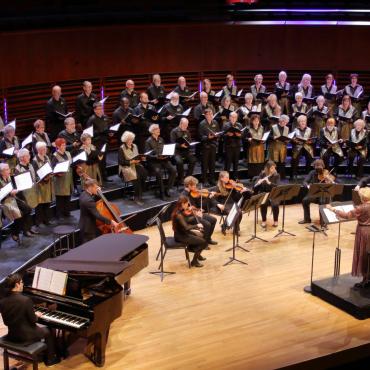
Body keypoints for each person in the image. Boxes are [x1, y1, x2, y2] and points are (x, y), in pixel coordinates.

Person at [0, 273, 60, 366]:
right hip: (26, 337)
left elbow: (7, 321)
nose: (23, 284)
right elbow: (33, 321)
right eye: (22, 282)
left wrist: (28, 314)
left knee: (37, 328)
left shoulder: (3, 301)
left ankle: (41, 353)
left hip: (12, 335)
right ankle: (50, 360)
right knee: (49, 330)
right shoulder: (25, 300)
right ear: (17, 284)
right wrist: (36, 315)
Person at [326, 187, 370, 288]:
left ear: (363, 197)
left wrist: (332, 209)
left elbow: (346, 215)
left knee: (363, 255)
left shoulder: (361, 208)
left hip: (363, 232)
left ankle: (365, 279)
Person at [171, 196, 208, 268]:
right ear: (182, 204)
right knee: (203, 242)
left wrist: (196, 224)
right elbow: (186, 227)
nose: (188, 205)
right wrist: (197, 225)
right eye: (186, 204)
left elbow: (186, 222)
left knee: (201, 235)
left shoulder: (179, 211)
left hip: (182, 233)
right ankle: (194, 261)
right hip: (181, 236)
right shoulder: (178, 215)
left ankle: (197, 253)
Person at [78, 179, 119, 243]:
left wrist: (97, 194)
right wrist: (111, 221)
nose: (97, 189)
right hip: (88, 228)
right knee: (90, 246)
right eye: (95, 187)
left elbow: (91, 200)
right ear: (90, 187)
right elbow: (98, 215)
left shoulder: (83, 194)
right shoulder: (88, 201)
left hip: (84, 224)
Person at [0, 163, 32, 241]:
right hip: (5, 202)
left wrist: (15, 190)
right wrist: (9, 193)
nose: (9, 171)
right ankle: (15, 232)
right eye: (7, 169)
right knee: (19, 214)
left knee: (28, 209)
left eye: (9, 168)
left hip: (13, 198)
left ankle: (20, 230)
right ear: (1, 172)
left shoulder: (9, 178)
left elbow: (13, 187)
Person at [182, 176, 217, 246]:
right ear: (189, 185)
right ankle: (203, 243)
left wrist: (208, 198)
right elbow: (183, 210)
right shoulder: (183, 196)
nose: (196, 186)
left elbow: (199, 205)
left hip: (196, 213)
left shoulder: (194, 193)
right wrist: (195, 212)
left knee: (213, 220)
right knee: (207, 224)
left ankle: (208, 239)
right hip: (189, 217)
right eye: (194, 185)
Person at [145, 124, 176, 200]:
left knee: (173, 170)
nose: (159, 130)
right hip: (154, 161)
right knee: (159, 173)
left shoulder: (161, 139)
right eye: (156, 129)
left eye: (158, 128)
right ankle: (161, 193)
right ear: (152, 131)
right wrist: (157, 156)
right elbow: (148, 155)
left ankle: (167, 189)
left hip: (163, 160)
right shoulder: (148, 141)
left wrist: (167, 154)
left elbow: (164, 150)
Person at [298, 159, 335, 224]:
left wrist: (328, 179)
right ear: (314, 167)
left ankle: (323, 221)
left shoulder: (326, 173)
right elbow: (305, 181)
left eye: (319, 166)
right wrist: (308, 186)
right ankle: (307, 219)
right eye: (316, 166)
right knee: (305, 200)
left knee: (322, 201)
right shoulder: (312, 173)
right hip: (314, 194)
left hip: (324, 196)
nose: (318, 169)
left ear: (323, 166)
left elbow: (332, 184)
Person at [118, 131, 148, 206]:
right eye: (129, 139)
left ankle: (141, 191)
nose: (131, 141)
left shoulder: (134, 146)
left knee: (144, 173)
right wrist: (131, 162)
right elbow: (121, 162)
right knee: (136, 177)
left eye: (132, 139)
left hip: (135, 164)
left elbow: (137, 156)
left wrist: (141, 158)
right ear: (125, 140)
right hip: (126, 167)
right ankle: (137, 197)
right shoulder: (121, 148)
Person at [14, 149, 39, 234]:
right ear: (22, 157)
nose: (29, 157)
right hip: (24, 194)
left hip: (32, 192)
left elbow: (34, 176)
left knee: (31, 211)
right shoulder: (18, 169)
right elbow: (18, 184)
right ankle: (25, 230)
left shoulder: (30, 165)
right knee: (26, 212)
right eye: (28, 155)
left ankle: (30, 227)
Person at [86, 102, 111, 182]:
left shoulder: (105, 117)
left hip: (105, 141)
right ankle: (98, 178)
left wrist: (110, 132)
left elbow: (108, 127)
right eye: (99, 109)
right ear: (95, 110)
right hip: (96, 143)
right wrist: (100, 131)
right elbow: (88, 133)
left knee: (104, 160)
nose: (101, 110)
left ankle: (104, 177)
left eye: (101, 108)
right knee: (98, 161)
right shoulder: (91, 120)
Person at [253, 160, 280, 229]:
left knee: (275, 205)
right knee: (263, 203)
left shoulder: (276, 175)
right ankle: (264, 220)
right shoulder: (262, 174)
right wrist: (259, 182)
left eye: (274, 168)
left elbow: (277, 186)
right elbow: (255, 186)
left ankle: (276, 221)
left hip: (273, 193)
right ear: (268, 168)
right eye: (272, 168)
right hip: (264, 193)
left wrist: (269, 183)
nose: (274, 169)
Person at [33, 142, 55, 226]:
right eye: (43, 149)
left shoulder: (47, 157)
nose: (45, 150)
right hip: (40, 186)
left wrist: (51, 173)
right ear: (38, 150)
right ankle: (39, 222)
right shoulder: (35, 161)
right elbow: (34, 174)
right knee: (40, 204)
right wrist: (43, 178)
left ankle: (46, 220)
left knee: (47, 203)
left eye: (45, 148)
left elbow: (50, 167)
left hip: (48, 184)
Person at [170, 118, 196, 185]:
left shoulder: (187, 131)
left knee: (193, 160)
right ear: (180, 124)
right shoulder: (174, 131)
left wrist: (189, 144)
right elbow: (172, 143)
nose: (186, 126)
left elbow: (189, 141)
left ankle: (187, 178)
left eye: (187, 125)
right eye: (185, 125)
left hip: (185, 151)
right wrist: (180, 145)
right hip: (177, 151)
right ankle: (180, 179)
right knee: (179, 161)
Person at [52, 138, 73, 219]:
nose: (65, 146)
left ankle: (67, 212)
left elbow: (71, 164)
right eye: (63, 145)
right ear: (58, 146)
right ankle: (59, 214)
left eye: (65, 145)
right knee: (60, 198)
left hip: (68, 178)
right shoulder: (55, 156)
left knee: (68, 196)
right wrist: (58, 173)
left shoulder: (68, 153)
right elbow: (53, 169)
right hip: (60, 180)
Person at [198, 108, 220, 186]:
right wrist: (207, 137)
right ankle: (204, 180)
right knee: (205, 164)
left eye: (211, 114)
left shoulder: (215, 122)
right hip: (205, 146)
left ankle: (212, 179)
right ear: (205, 115)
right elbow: (200, 137)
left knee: (212, 164)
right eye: (208, 114)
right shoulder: (202, 124)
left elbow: (218, 132)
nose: (210, 115)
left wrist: (217, 136)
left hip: (213, 145)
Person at [291, 115, 314, 180]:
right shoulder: (295, 130)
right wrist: (295, 141)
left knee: (309, 157)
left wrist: (310, 142)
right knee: (295, 158)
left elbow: (313, 139)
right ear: (298, 122)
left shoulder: (310, 129)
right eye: (301, 121)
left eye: (304, 121)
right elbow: (292, 139)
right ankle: (294, 174)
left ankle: (308, 173)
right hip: (298, 146)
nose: (303, 122)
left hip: (307, 146)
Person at [223, 111, 243, 180]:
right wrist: (227, 135)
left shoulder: (239, 125)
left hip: (237, 146)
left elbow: (242, 135)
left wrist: (239, 135)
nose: (234, 118)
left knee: (236, 163)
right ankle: (226, 178)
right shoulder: (226, 125)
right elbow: (222, 135)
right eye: (232, 117)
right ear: (229, 118)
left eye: (235, 117)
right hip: (229, 146)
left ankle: (235, 177)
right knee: (228, 163)